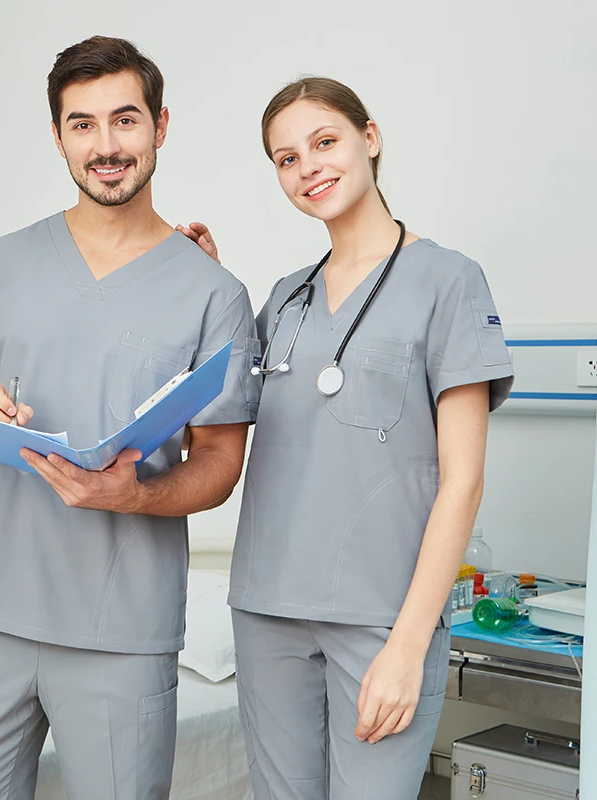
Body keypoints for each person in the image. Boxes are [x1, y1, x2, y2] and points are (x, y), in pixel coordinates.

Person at [0, 35, 260, 800]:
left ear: (160, 127)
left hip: (121, 633)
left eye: (125, 121)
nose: (106, 146)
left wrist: (136, 496)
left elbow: (219, 465)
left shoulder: (213, 293)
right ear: (59, 137)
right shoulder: (1, 264)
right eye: (83, 125)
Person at [181, 77, 514, 799]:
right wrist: (202, 289)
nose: (309, 169)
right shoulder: (286, 296)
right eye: (286, 158)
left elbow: (463, 480)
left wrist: (408, 643)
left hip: (379, 618)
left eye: (324, 143)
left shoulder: (448, 281)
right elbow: (223, 406)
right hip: (268, 609)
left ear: (370, 137)